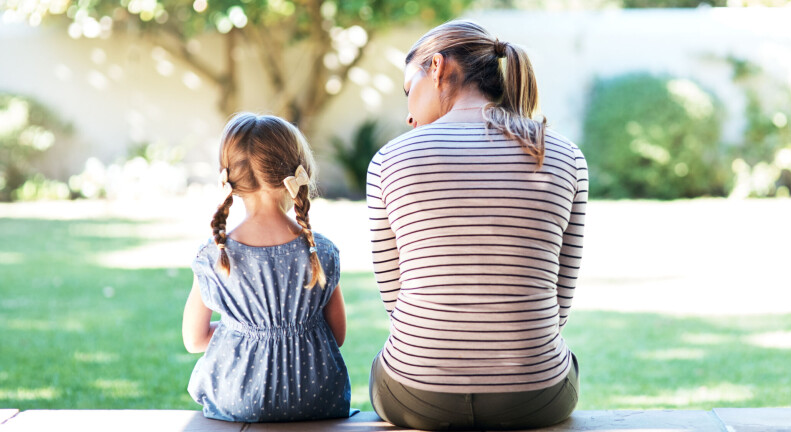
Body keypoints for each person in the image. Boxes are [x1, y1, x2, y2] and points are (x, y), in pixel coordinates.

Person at [366, 20, 588, 430]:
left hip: (416, 395)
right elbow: (559, 302)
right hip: (536, 396)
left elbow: (395, 302)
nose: (409, 114)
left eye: (408, 90)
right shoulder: (564, 155)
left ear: (437, 67)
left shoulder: (389, 160)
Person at [182, 113, 352, 422]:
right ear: (298, 172)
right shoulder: (322, 251)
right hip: (317, 398)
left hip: (238, 400)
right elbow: (337, 335)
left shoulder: (214, 255)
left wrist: (242, 330)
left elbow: (194, 340)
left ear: (228, 179)